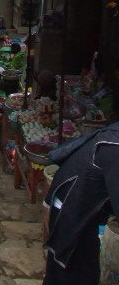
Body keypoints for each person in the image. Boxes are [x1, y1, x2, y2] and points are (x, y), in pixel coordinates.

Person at [43, 122, 119, 285]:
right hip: (71, 208)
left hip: (88, 206)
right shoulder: (114, 145)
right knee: (71, 270)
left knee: (82, 269)